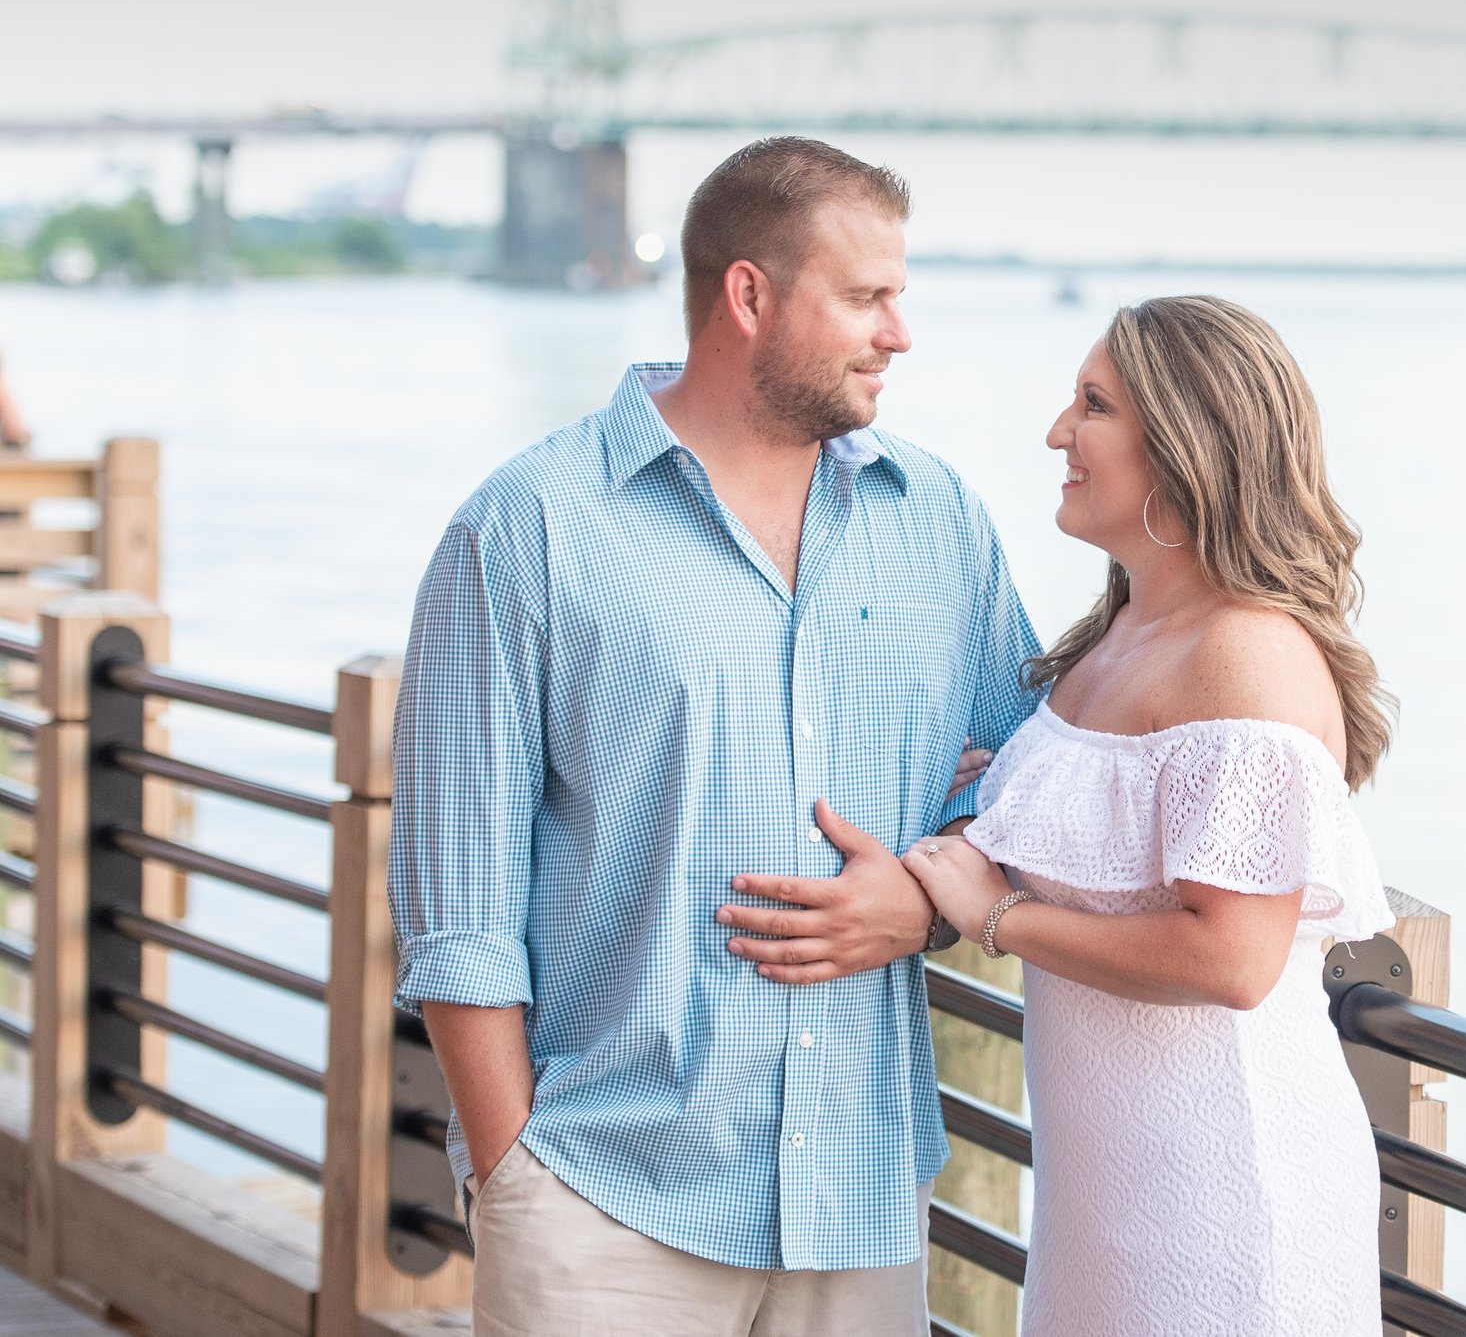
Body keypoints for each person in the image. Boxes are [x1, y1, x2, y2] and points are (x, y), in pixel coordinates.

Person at [389, 138, 1037, 1337]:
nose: (899, 332)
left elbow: (1036, 779)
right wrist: (516, 1175)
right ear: (749, 295)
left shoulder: (938, 520)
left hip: (860, 1203)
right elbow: (457, 911)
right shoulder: (527, 530)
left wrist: (934, 899)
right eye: (866, 296)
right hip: (604, 1207)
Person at [903, 294, 1398, 1337]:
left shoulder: (1246, 655)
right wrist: (974, 795)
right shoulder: (1122, 631)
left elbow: (1232, 958)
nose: (1055, 433)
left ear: (1184, 445)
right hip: (1109, 1201)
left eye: (1092, 405)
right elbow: (1108, 820)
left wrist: (997, 918)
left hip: (1225, 1196)